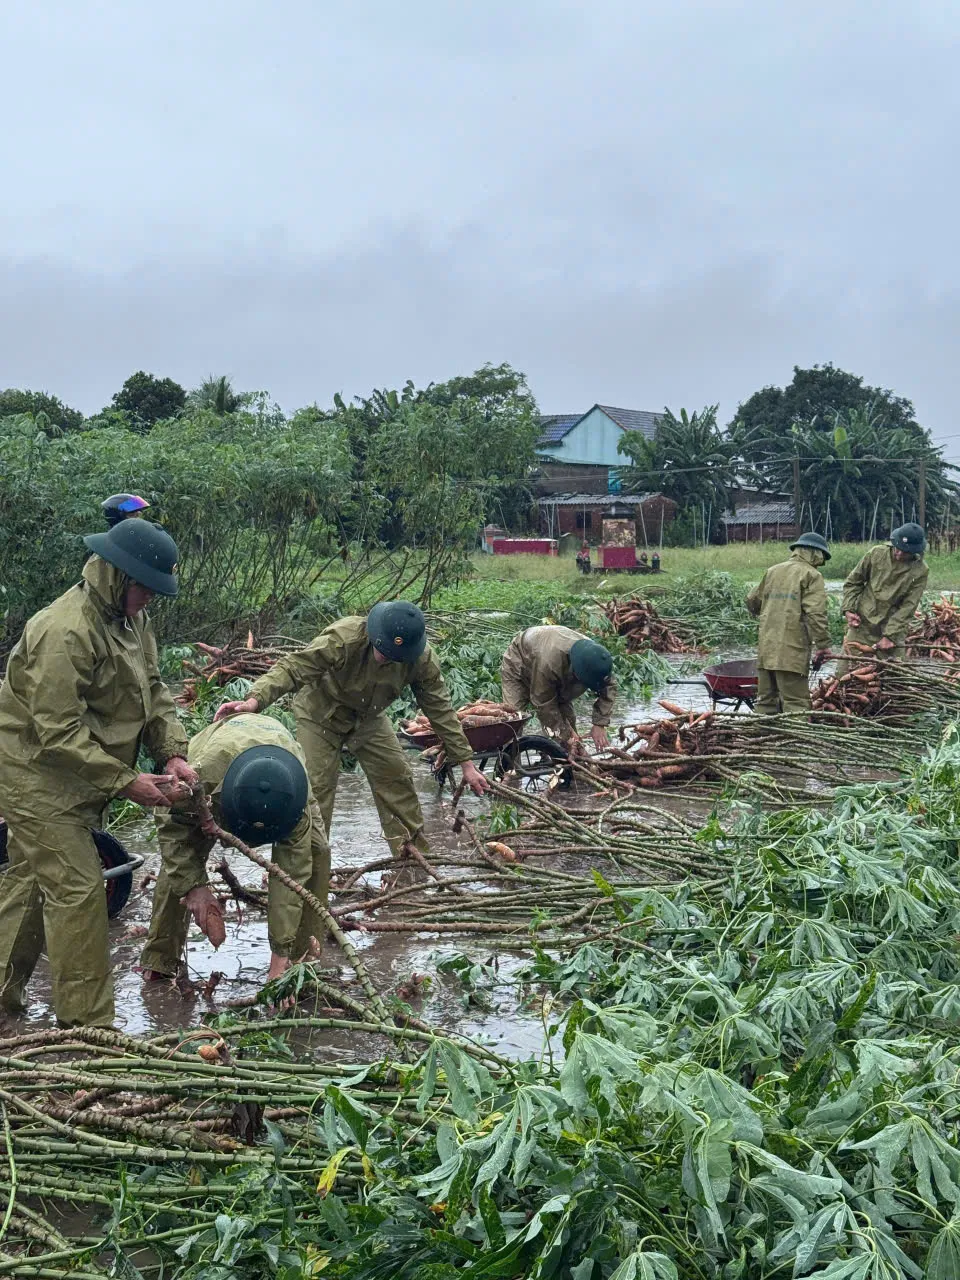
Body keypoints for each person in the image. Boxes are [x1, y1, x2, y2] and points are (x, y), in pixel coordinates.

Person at [0, 520, 197, 1027]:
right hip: (34, 773)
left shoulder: (131, 621)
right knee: (78, 891)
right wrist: (126, 782)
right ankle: (89, 1032)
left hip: (80, 775)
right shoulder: (64, 631)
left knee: (32, 884)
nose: (149, 599)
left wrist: (171, 751)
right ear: (116, 574)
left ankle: (2, 999)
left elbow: (152, 690)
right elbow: (57, 732)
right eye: (144, 588)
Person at [213, 602, 489, 857]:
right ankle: (307, 861)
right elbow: (295, 667)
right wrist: (255, 699)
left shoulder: (420, 659)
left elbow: (439, 708)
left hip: (368, 718)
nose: (384, 658)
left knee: (397, 776)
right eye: (382, 651)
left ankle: (411, 858)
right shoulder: (345, 637)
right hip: (320, 714)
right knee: (315, 789)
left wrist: (465, 762)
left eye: (393, 657)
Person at [139, 713, 330, 985]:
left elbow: (291, 876)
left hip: (281, 758)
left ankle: (301, 959)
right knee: (179, 863)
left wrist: (278, 959)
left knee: (317, 850)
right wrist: (195, 887)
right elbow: (170, 826)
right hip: (219, 765)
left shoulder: (294, 804)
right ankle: (160, 961)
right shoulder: (198, 777)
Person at [745, 532, 831, 715]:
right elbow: (816, 614)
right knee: (796, 703)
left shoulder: (773, 571)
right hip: (792, 651)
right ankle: (795, 742)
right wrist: (823, 646)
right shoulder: (812, 575)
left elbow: (752, 600)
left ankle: (759, 740)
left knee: (765, 702)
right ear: (815, 553)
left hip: (766, 648)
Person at [500, 626, 616, 754]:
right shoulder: (549, 663)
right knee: (513, 722)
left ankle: (564, 763)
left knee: (569, 723)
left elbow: (609, 688)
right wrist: (565, 734)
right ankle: (508, 767)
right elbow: (543, 704)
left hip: (553, 663)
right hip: (520, 661)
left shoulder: (597, 660)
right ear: (577, 674)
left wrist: (599, 724)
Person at [840, 522, 928, 665]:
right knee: (846, 670)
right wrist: (849, 610)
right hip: (862, 624)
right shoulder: (876, 554)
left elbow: (908, 607)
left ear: (915, 552)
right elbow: (853, 582)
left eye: (905, 552)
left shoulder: (920, 570)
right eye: (897, 548)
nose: (899, 554)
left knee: (894, 676)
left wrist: (890, 635)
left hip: (892, 628)